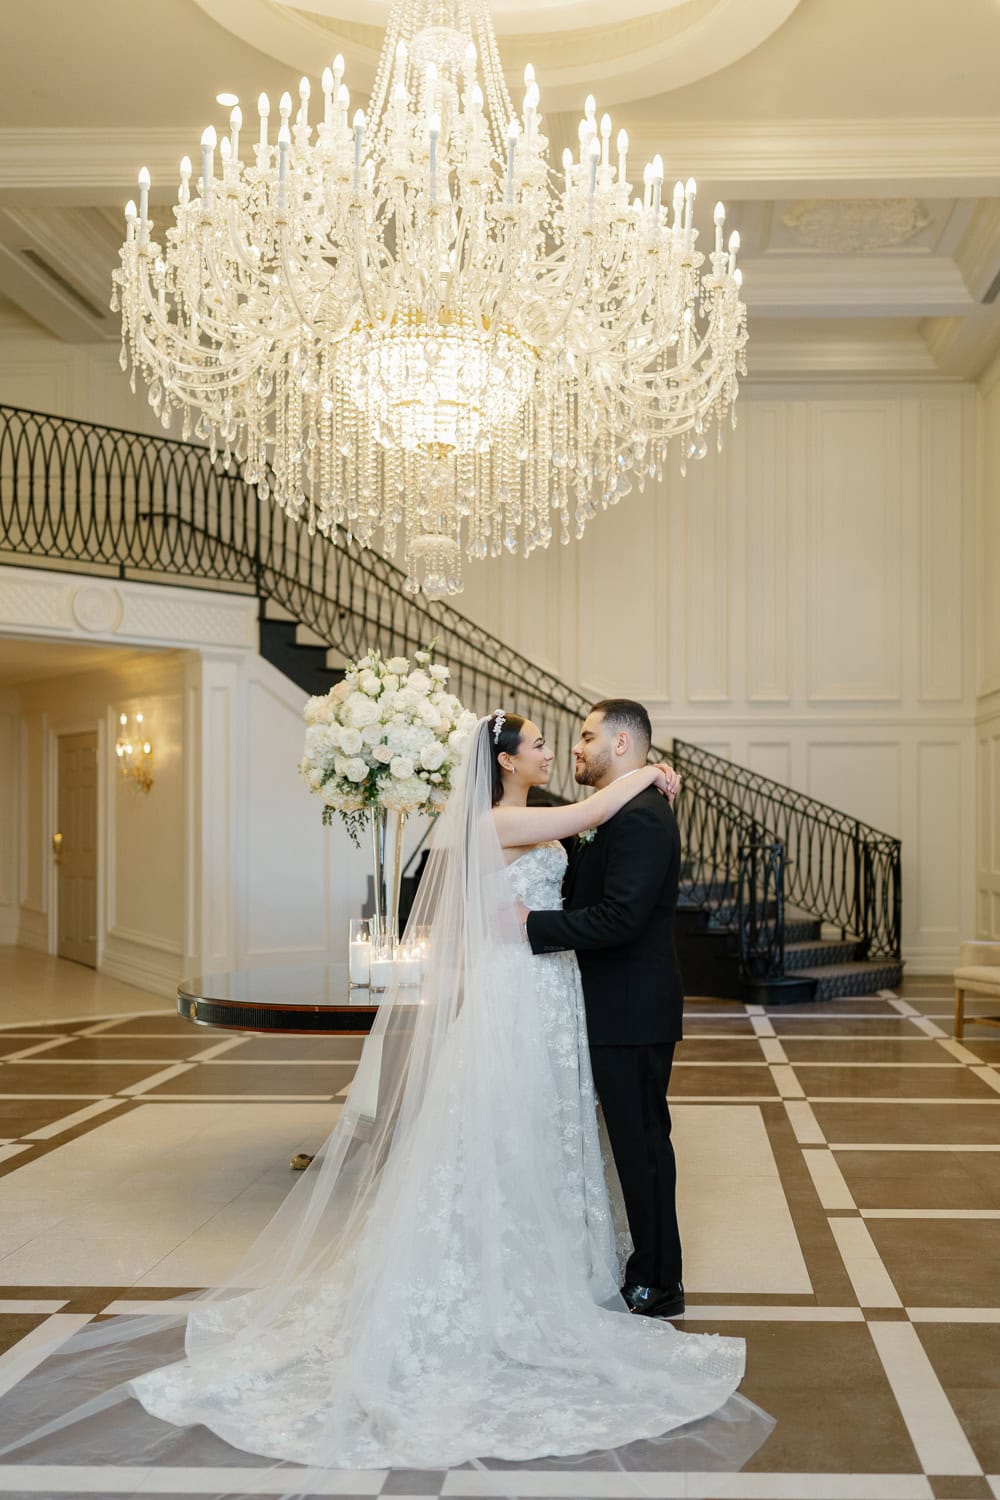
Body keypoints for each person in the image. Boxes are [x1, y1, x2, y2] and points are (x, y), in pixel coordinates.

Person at [0, 714, 771, 1488]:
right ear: (504, 760)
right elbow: (589, 816)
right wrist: (650, 775)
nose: (554, 752)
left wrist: (648, 779)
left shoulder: (548, 815)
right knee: (505, 1132)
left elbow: (593, 839)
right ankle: (506, 1279)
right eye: (541, 743)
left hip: (555, 997)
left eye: (567, 741)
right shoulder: (500, 819)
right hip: (519, 998)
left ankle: (572, 1266)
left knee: (551, 1132)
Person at [518, 699, 687, 1320]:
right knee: (627, 1145)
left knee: (642, 1147)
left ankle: (658, 1282)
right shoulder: (617, 811)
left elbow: (622, 918)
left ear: (621, 744)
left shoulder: (641, 818)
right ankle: (643, 1267)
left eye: (587, 736)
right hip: (609, 1007)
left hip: (632, 1011)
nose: (576, 748)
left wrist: (531, 925)